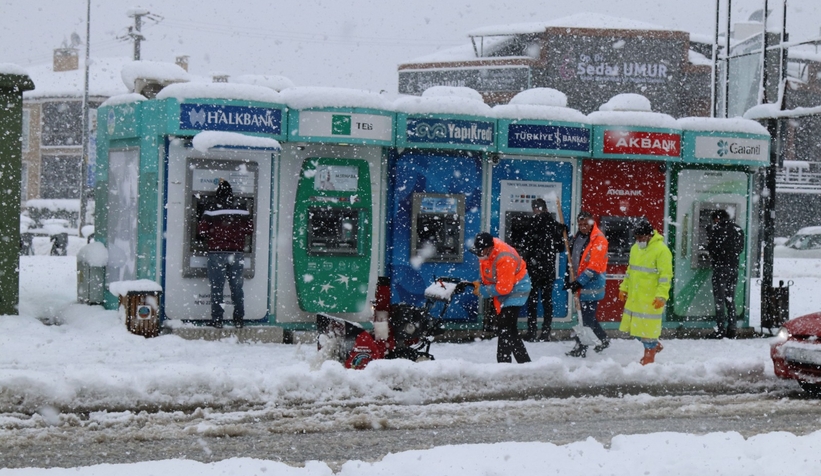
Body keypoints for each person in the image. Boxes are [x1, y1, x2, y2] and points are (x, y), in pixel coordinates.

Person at [197, 179, 254, 329]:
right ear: (232, 194)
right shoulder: (242, 208)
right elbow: (249, 230)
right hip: (236, 253)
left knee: (217, 288)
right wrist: (235, 234)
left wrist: (215, 234)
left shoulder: (210, 208)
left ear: (217, 193)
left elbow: (201, 231)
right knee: (237, 288)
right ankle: (239, 319)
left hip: (216, 253)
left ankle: (217, 320)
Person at [469, 232, 532, 364]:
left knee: (504, 327)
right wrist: (481, 284)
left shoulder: (504, 257)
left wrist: (483, 291)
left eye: (480, 251)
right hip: (507, 289)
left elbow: (504, 288)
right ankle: (525, 363)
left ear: (488, 248)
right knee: (510, 329)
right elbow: (491, 274)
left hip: (517, 289)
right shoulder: (487, 252)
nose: (478, 254)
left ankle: (503, 364)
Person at [618, 218, 673, 365]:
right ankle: (654, 346)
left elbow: (665, 276)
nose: (639, 240)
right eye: (636, 237)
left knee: (648, 329)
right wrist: (624, 288)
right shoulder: (635, 248)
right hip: (635, 297)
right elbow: (630, 271)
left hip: (651, 299)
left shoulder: (662, 250)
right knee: (635, 328)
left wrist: (661, 296)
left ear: (650, 235)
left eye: (641, 237)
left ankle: (649, 356)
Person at [565, 210, 610, 358]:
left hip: (592, 286)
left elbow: (594, 267)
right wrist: (570, 279)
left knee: (585, 319)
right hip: (580, 283)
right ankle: (603, 338)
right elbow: (572, 257)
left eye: (586, 224)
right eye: (580, 224)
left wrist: (579, 282)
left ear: (592, 223)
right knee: (586, 316)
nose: (583, 226)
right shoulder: (578, 237)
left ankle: (581, 347)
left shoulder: (599, 240)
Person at [521, 198, 565, 342]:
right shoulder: (554, 224)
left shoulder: (532, 223)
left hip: (534, 269)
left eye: (536, 208)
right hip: (549, 268)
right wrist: (562, 230)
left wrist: (528, 256)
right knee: (547, 301)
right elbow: (560, 248)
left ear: (536, 209)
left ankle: (532, 332)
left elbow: (526, 246)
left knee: (532, 301)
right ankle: (545, 332)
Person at [705, 209, 744, 339]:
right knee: (730, 299)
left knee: (719, 300)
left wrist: (708, 246)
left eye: (714, 220)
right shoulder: (737, 229)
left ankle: (720, 330)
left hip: (721, 268)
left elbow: (714, 249)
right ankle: (732, 329)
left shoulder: (716, 230)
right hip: (733, 268)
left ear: (717, 218)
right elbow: (740, 249)